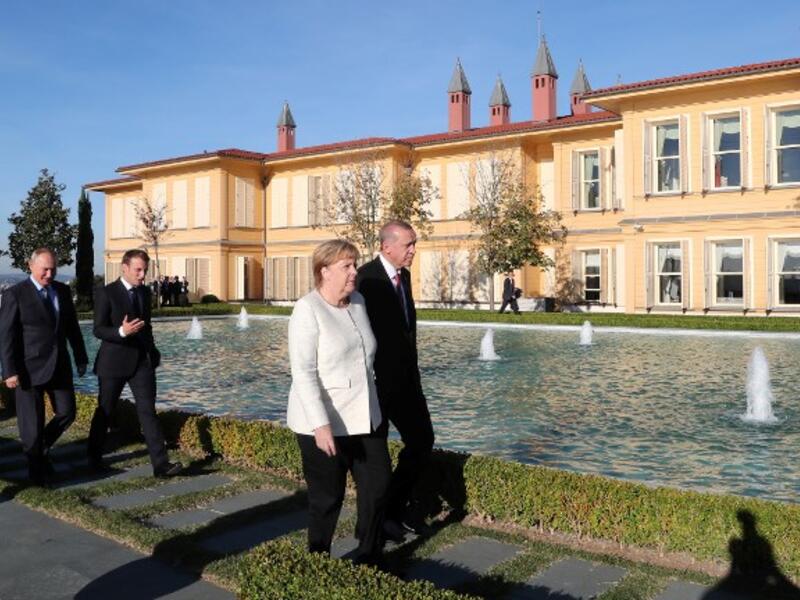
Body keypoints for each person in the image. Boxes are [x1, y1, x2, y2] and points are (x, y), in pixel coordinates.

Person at [287, 239, 389, 565]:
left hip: (366, 417)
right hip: (324, 422)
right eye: (347, 266)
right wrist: (320, 425)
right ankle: (318, 562)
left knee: (378, 486)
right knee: (327, 498)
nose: (354, 272)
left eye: (354, 264)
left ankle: (368, 555)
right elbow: (303, 372)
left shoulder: (357, 301)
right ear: (324, 271)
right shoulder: (308, 308)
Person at [356, 220, 434, 543]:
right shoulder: (366, 278)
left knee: (422, 439)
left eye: (414, 244)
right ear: (387, 246)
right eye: (409, 244)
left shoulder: (404, 275)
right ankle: (372, 526)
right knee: (375, 463)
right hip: (376, 384)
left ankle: (394, 510)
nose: (414, 250)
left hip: (406, 380)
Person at [87, 249, 182, 477]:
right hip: (113, 363)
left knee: (148, 412)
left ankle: (161, 465)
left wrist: (153, 351)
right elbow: (98, 329)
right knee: (105, 411)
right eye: (138, 270)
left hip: (142, 362)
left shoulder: (144, 293)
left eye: (145, 271)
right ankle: (93, 458)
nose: (142, 275)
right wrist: (121, 331)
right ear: (125, 267)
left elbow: (146, 326)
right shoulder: (106, 293)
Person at [0, 248, 88, 485]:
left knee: (68, 412)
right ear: (31, 266)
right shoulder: (15, 294)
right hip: (27, 368)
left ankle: (40, 449)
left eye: (53, 269)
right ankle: (36, 473)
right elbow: (6, 335)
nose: (49, 274)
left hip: (59, 364)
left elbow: (71, 327)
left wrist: (80, 356)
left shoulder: (62, 290)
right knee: (32, 424)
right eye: (45, 269)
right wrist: (8, 371)